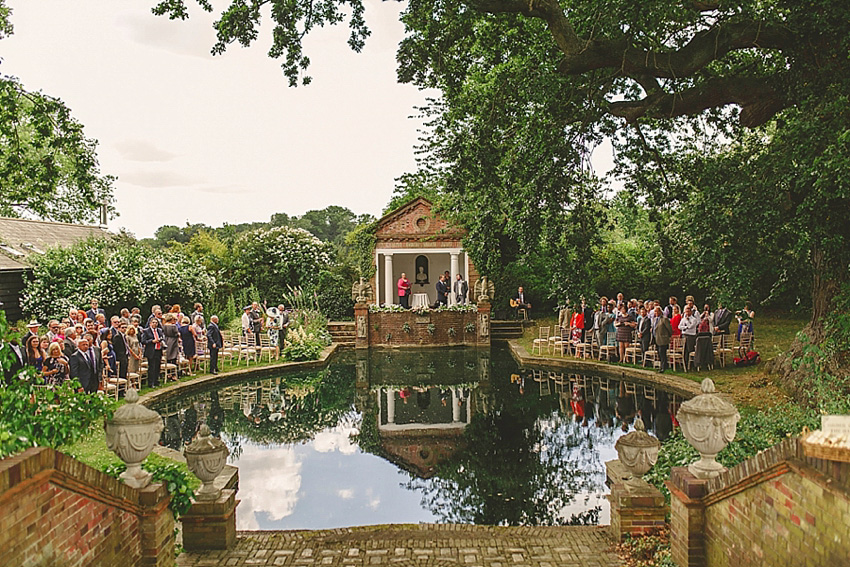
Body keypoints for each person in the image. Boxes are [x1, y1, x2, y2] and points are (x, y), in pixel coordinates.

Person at [141, 317, 164, 387]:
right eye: (153, 322)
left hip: (158, 350)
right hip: (151, 351)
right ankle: (151, 383)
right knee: (152, 367)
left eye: (156, 323)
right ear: (150, 323)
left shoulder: (159, 330)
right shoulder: (146, 331)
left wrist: (160, 339)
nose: (155, 324)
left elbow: (162, 337)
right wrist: (152, 341)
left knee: (157, 366)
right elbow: (143, 341)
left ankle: (156, 381)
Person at [679, 305, 699, 370]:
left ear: (690, 312)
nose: (686, 313)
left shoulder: (694, 319)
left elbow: (691, 326)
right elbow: (679, 326)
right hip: (684, 335)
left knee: (690, 350)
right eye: (686, 312)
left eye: (688, 311)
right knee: (684, 350)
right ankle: (685, 364)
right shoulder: (683, 319)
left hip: (691, 336)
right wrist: (685, 327)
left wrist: (687, 321)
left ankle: (692, 365)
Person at [654, 307, 673, 373]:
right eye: (655, 312)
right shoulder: (655, 319)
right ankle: (661, 365)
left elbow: (669, 329)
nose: (655, 313)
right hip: (656, 338)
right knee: (659, 353)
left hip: (663, 339)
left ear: (660, 312)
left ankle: (663, 367)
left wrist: (667, 336)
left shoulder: (664, 319)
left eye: (657, 311)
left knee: (662, 353)